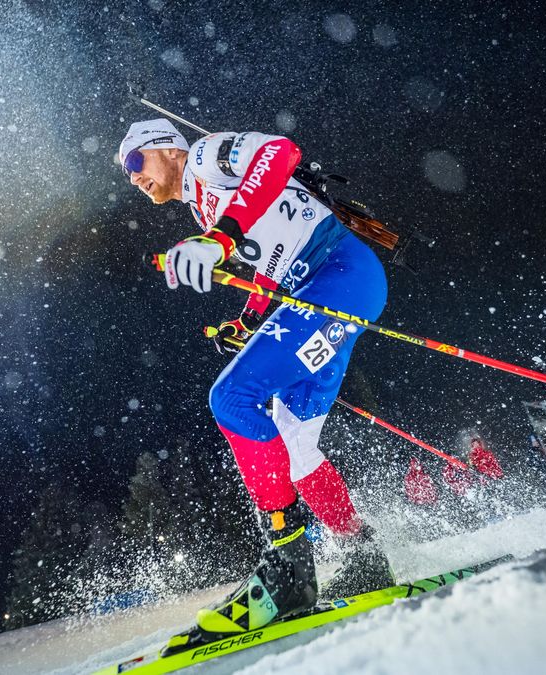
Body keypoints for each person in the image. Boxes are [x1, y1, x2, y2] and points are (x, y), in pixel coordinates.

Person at [117, 118, 392, 652]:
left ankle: (288, 567)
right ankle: (363, 554)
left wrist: (218, 239)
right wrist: (245, 322)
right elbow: (269, 265)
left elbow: (279, 152)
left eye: (134, 163)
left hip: (335, 273)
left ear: (167, 150)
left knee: (232, 398)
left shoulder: (203, 157)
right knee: (294, 442)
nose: (133, 179)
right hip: (323, 288)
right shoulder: (203, 204)